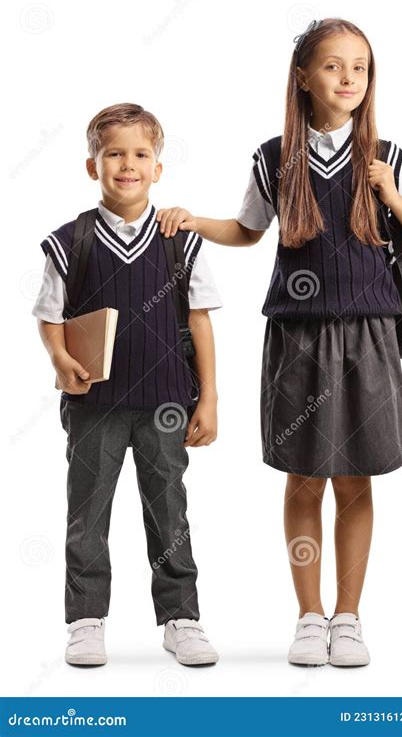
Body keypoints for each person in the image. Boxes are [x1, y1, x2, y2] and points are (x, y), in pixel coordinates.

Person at [155, 18, 402, 667]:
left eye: (361, 68)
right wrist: (191, 220)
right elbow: (246, 228)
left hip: (367, 335)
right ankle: (309, 617)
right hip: (297, 336)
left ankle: (349, 618)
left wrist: (391, 194)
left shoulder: (387, 158)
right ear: (302, 77)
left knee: (355, 479)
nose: (349, 79)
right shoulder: (273, 157)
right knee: (304, 478)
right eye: (335, 66)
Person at [32, 103, 222, 667]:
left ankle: (181, 618)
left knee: (169, 509)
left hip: (166, 402)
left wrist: (208, 397)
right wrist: (61, 358)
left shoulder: (179, 242)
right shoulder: (71, 242)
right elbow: (48, 314)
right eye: (113, 153)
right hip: (96, 404)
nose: (127, 164)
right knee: (87, 510)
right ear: (93, 166)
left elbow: (200, 319)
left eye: (141, 154)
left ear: (158, 168)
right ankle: (86, 619)